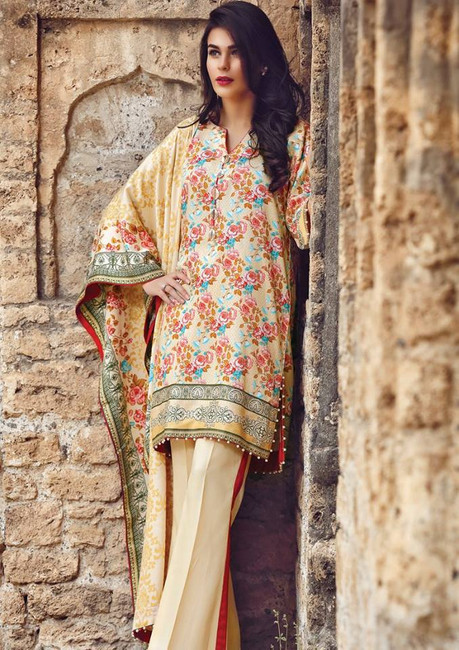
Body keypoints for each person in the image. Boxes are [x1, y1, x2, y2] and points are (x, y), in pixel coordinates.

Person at [76, 1, 310, 648]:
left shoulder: (291, 143)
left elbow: (308, 226)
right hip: (181, 351)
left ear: (261, 59)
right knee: (192, 520)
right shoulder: (186, 143)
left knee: (210, 487)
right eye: (213, 52)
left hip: (248, 350)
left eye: (235, 51)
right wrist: (148, 277)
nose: (222, 64)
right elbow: (121, 215)